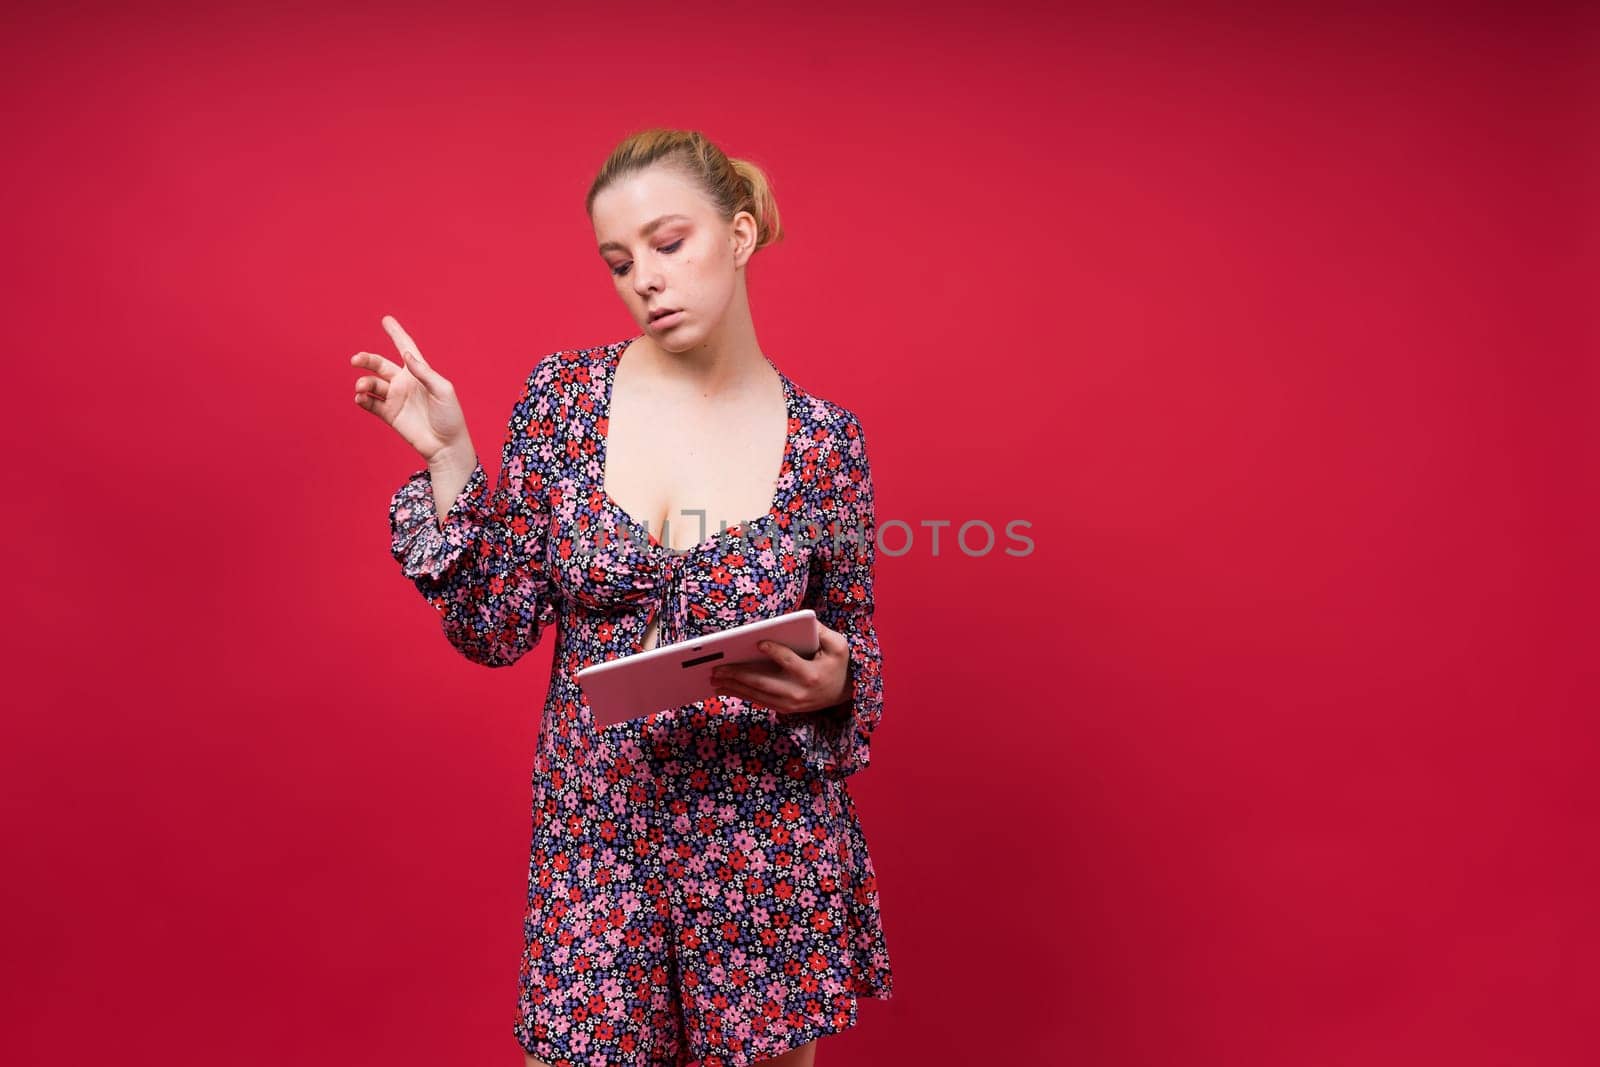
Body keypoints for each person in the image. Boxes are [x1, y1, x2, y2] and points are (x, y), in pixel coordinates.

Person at [350, 128, 891, 1067]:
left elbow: (854, 649)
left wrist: (838, 683)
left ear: (741, 233)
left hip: (764, 851)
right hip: (597, 844)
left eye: (668, 243)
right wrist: (450, 461)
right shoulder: (562, 400)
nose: (644, 276)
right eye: (618, 260)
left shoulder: (826, 445)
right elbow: (493, 627)